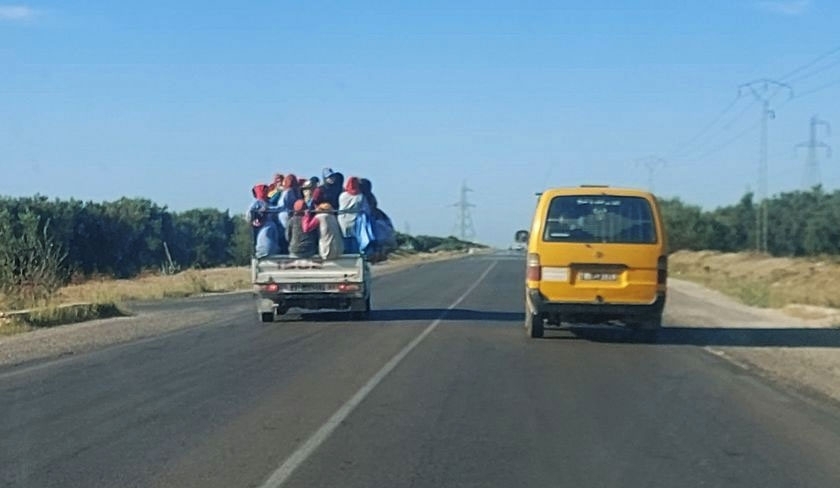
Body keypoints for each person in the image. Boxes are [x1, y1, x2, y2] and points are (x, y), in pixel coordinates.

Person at [304, 194, 344, 259]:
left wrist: (306, 216)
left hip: (327, 250)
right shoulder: (333, 217)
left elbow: (306, 228)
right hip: (339, 250)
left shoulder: (320, 217)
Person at [338, 176, 369, 253]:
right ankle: (355, 253)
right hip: (354, 219)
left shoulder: (342, 195)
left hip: (342, 219)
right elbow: (366, 209)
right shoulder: (360, 196)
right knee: (355, 239)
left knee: (344, 238)